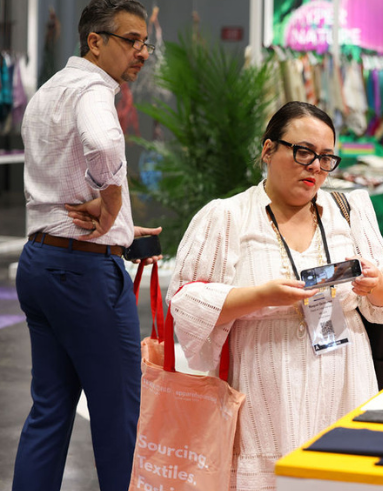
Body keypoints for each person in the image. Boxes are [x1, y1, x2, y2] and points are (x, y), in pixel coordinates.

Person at [167, 101, 383, 490]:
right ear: (268, 150)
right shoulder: (227, 216)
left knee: (342, 475)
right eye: (303, 152)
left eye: (326, 158)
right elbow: (184, 305)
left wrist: (377, 284)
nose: (315, 167)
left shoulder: (349, 209)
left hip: (345, 374)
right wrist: (259, 296)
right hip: (265, 387)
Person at [13, 1, 161, 490]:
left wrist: (120, 226)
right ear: (94, 42)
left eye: (145, 42)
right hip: (83, 272)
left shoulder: (49, 91)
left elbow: (63, 182)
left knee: (50, 410)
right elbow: (101, 145)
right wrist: (114, 202)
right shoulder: (96, 90)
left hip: (41, 261)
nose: (141, 51)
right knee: (118, 414)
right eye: (130, 40)